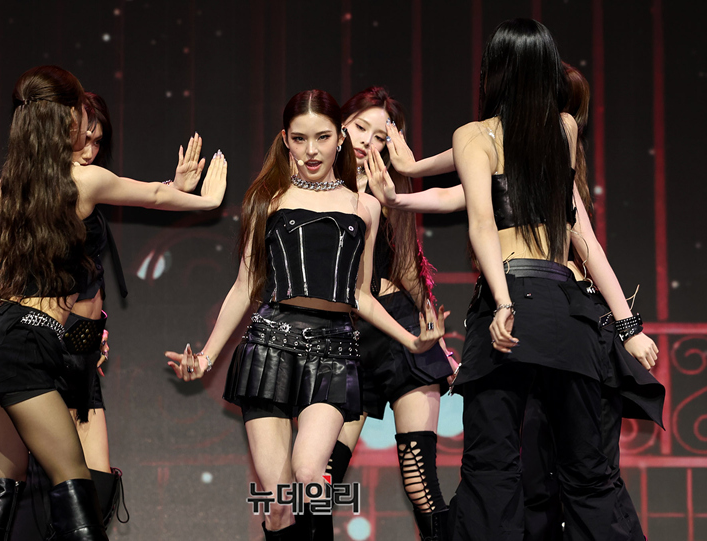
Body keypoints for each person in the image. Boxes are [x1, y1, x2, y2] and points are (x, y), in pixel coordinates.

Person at [367, 19, 658, 540]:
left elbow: (481, 217)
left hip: (510, 301)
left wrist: (503, 303)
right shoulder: (563, 129)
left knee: (493, 469)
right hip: (565, 309)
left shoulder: (476, 136)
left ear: (492, 73)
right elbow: (583, 239)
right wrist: (628, 325)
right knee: (589, 474)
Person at [0, 65, 226, 540]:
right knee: (74, 484)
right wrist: (207, 201)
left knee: (0, 487)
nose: (86, 129)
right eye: (80, 115)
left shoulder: (14, 180)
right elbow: (152, 194)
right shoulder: (82, 181)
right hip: (28, 344)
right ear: (67, 116)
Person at [166, 89, 444, 541]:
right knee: (279, 505)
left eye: (322, 137)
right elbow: (244, 286)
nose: (311, 150)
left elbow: (360, 295)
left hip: (333, 352)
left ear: (338, 139)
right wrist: (207, 357)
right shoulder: (267, 199)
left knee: (311, 474)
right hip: (269, 348)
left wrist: (412, 340)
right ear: (286, 140)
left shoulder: (365, 207)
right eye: (300, 139)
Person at [520, 63, 665, 541]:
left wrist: (628, 327)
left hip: (579, 332)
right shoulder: (499, 156)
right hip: (537, 333)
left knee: (589, 475)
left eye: (564, 112)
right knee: (538, 475)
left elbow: (588, 249)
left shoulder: (560, 169)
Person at [319, 87, 454, 541]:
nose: (367, 142)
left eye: (380, 137)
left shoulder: (389, 189)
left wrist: (433, 330)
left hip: (400, 331)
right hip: (344, 338)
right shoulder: (314, 187)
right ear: (341, 124)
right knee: (317, 478)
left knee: (420, 481)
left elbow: (408, 267)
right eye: (361, 128)